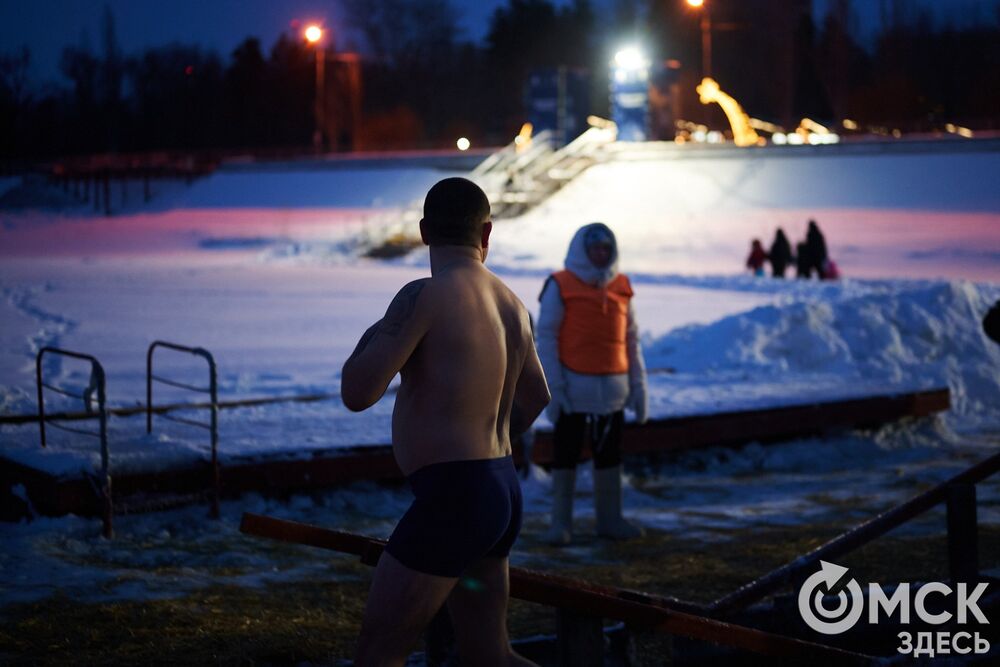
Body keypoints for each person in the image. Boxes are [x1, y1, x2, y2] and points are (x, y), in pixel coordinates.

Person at [342, 177, 550, 666]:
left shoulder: (425, 296)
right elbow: (537, 396)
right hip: (499, 489)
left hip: (455, 499)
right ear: (487, 234)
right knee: (489, 655)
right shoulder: (511, 304)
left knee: (378, 652)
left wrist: (379, 331)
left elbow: (357, 392)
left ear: (422, 231)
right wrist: (480, 432)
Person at [537, 222, 648, 545]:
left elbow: (631, 339)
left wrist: (638, 388)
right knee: (565, 455)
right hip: (573, 388)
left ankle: (610, 519)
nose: (601, 254)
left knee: (610, 455)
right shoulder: (560, 284)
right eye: (594, 249)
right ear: (580, 251)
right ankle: (561, 523)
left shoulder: (622, 285)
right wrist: (554, 389)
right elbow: (546, 337)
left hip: (613, 390)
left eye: (606, 249)